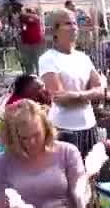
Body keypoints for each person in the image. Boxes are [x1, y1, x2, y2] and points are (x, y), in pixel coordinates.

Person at [39, 10, 105, 157]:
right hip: (64, 129)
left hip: (89, 125)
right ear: (56, 30)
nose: (74, 27)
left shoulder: (83, 58)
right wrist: (89, 95)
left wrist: (76, 95)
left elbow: (100, 91)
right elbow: (60, 98)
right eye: (68, 23)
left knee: (93, 173)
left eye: (75, 23)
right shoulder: (48, 59)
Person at [18, 7, 45, 75]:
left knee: (37, 60)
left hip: (36, 42)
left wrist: (23, 14)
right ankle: (30, 75)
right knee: (28, 61)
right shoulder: (23, 19)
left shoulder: (35, 18)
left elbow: (32, 18)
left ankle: (40, 74)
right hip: (26, 42)